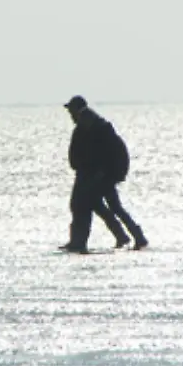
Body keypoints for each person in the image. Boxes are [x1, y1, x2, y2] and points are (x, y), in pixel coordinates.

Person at [59, 95, 149, 253]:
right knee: (99, 204)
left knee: (95, 204)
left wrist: (101, 174)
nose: (70, 115)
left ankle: (127, 236)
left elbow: (102, 154)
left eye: (71, 111)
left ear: (77, 110)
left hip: (102, 174)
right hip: (97, 174)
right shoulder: (88, 126)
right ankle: (127, 235)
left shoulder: (93, 127)